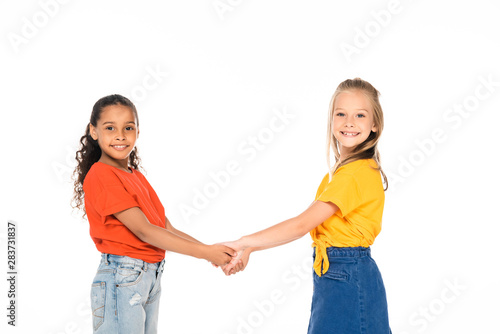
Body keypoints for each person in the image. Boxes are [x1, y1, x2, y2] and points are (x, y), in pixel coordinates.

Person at [222, 78, 392, 333]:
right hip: (342, 274)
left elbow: (301, 224)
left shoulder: (353, 175)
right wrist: (251, 248)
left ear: (375, 125)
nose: (349, 122)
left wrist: (246, 242)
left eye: (360, 115)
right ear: (331, 119)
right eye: (341, 113)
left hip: (347, 275)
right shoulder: (344, 172)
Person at [72, 94, 236, 334]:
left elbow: (165, 227)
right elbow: (144, 231)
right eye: (110, 128)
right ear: (94, 131)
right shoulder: (101, 175)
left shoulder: (135, 176)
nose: (120, 135)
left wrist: (210, 251)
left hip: (147, 276)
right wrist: (205, 253)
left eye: (128, 127)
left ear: (138, 131)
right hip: (123, 276)